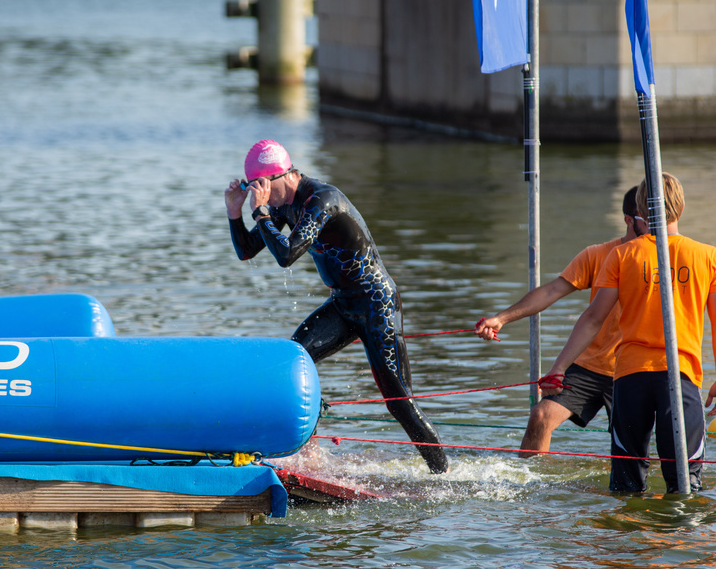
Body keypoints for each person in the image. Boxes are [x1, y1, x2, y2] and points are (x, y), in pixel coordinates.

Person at [224, 140, 448, 474]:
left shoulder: (321, 199)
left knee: (399, 403)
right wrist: (234, 211)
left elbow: (287, 255)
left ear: (275, 178)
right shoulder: (282, 205)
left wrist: (259, 212)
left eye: (259, 187)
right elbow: (247, 250)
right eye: (251, 188)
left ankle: (443, 474)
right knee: (294, 361)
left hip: (376, 303)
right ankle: (308, 457)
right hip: (343, 305)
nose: (258, 194)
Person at [542, 173, 716, 493]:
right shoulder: (707, 256)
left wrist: (559, 367)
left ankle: (629, 542)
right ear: (681, 207)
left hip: (630, 378)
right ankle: (679, 542)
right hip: (680, 376)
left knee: (626, 487)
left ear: (639, 208)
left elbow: (593, 317)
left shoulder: (622, 255)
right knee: (685, 486)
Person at [475, 187, 646, 456]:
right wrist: (501, 318)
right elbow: (552, 291)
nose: (654, 224)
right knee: (541, 416)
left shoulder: (666, 258)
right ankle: (531, 489)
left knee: (636, 442)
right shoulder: (598, 254)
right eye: (646, 217)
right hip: (588, 365)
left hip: (633, 368)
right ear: (629, 220)